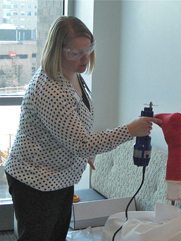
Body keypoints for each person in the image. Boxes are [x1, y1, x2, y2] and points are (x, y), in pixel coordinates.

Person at [5, 16, 162, 241]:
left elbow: (73, 130)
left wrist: (81, 153)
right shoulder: (50, 89)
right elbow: (79, 143)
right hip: (34, 181)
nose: (85, 58)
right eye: (76, 53)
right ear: (57, 50)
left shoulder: (73, 74)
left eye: (88, 49)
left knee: (57, 235)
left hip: (60, 177)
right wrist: (129, 130)